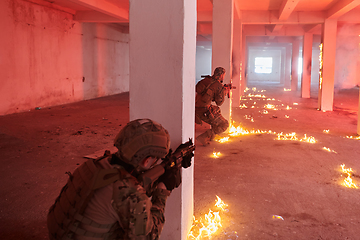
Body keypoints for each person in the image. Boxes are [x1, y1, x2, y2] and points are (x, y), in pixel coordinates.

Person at [47, 119, 182, 240]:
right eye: (155, 160)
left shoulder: (93, 165)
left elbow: (127, 189)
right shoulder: (130, 193)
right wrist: (162, 191)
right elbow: (149, 236)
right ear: (147, 161)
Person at [195, 67, 229, 146]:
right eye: (224, 75)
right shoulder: (218, 85)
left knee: (217, 110)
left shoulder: (205, 80)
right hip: (204, 111)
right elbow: (219, 102)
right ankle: (204, 136)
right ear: (221, 75)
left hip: (196, 107)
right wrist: (224, 92)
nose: (223, 77)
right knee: (224, 124)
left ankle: (212, 136)